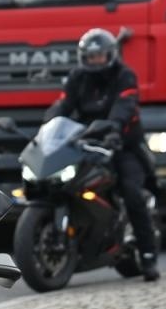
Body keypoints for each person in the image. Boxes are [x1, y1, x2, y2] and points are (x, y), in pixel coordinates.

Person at [44, 27, 160, 281]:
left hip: (122, 144)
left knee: (131, 192)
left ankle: (149, 255)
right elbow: (64, 105)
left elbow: (125, 104)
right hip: (86, 143)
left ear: (111, 55)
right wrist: (49, 126)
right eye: (91, 57)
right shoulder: (77, 77)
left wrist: (115, 129)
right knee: (62, 183)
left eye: (100, 56)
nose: (95, 61)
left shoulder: (124, 75)